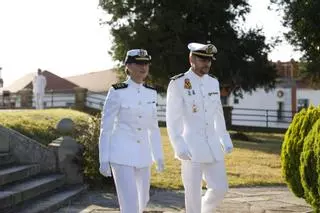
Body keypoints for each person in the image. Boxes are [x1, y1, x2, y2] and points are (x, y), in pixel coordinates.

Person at [166, 42, 233, 213]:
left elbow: (218, 113)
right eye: (202, 59)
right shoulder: (178, 83)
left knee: (220, 188)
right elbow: (172, 119)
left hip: (212, 146)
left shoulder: (213, 82)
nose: (207, 64)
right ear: (191, 59)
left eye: (209, 60)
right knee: (193, 194)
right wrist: (178, 144)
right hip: (191, 147)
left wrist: (224, 138)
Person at [99, 49, 164, 213]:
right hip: (121, 154)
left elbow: (153, 128)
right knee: (130, 206)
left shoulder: (151, 92)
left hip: (143, 155)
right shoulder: (117, 91)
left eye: (146, 63)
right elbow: (106, 127)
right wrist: (103, 159)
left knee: (144, 200)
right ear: (128, 66)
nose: (144, 67)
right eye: (139, 63)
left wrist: (158, 156)